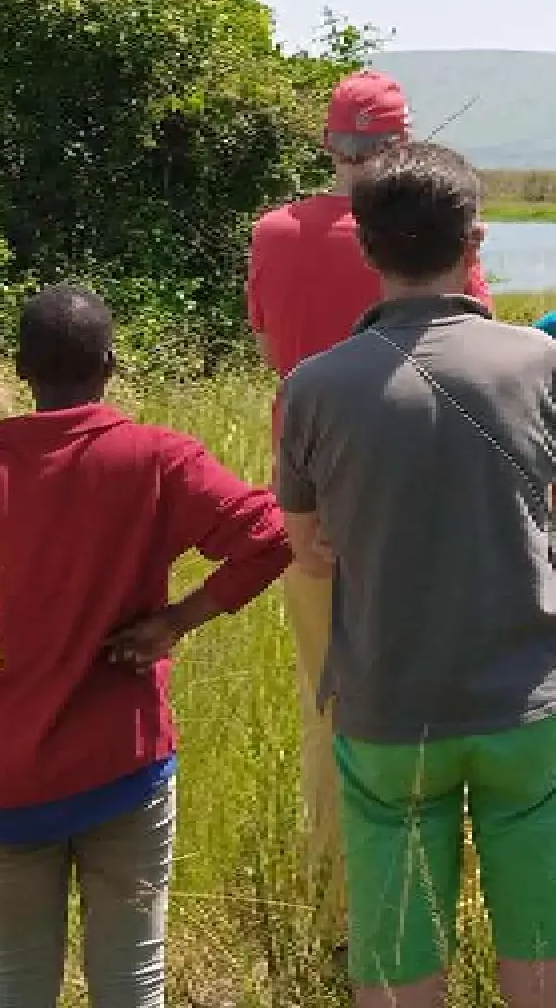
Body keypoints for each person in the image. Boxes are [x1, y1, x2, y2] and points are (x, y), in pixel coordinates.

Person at [0, 284, 291, 1008]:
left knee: (14, 979)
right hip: (121, 761)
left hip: (3, 772)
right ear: (109, 363)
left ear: (20, 368)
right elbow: (272, 536)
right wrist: (177, 620)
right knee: (130, 978)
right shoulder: (153, 457)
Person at [277, 141, 556, 1008]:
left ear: (364, 247)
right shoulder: (537, 361)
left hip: (387, 706)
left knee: (396, 952)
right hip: (525, 703)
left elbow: (306, 543)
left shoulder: (313, 385)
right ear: (474, 241)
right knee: (539, 943)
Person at [246, 68, 493, 951]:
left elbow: (273, 343)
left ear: (328, 144)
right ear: (402, 144)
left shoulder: (274, 229)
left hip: (310, 494)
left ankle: (337, 908)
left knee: (331, 708)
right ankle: (447, 900)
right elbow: (475, 346)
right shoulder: (439, 233)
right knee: (453, 698)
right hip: (427, 494)